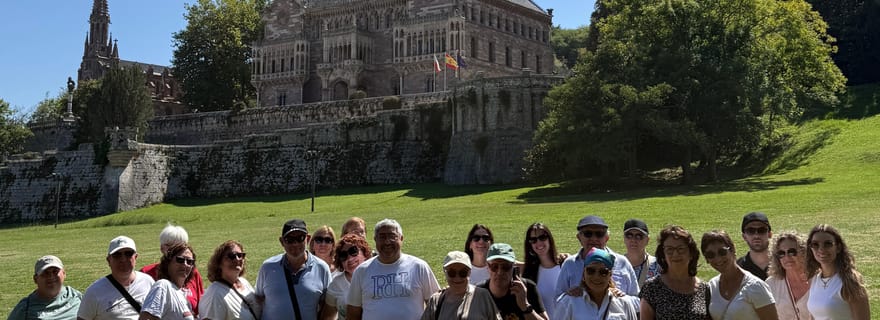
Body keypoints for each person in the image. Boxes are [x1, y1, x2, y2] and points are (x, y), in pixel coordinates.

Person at [346, 218, 440, 320]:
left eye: (392, 236)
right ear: (375, 239)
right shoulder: (362, 271)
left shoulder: (419, 267)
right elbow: (353, 313)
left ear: (401, 238)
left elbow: (436, 305)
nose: (387, 242)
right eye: (382, 237)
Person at [255, 219, 335, 320]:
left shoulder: (322, 268)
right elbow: (258, 299)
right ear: (282, 242)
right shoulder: (267, 267)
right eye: (289, 240)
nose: (295, 244)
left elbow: (328, 307)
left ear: (308, 239)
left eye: (300, 238)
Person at [555, 215, 638, 300]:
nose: (594, 238)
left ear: (607, 238)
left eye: (599, 234)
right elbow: (557, 299)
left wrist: (623, 298)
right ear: (579, 237)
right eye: (588, 234)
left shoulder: (622, 262)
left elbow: (637, 300)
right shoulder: (570, 264)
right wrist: (568, 295)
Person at [701, 230, 777, 320]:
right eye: (710, 255)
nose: (718, 258)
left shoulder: (755, 286)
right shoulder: (711, 286)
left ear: (733, 250)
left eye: (722, 252)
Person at [639, 225, 710, 319]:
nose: (675, 254)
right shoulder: (651, 288)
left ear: (691, 253)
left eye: (681, 249)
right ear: (663, 254)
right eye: (670, 249)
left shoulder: (705, 289)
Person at [78, 236, 155, 320]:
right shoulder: (94, 292)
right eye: (117, 255)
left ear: (135, 257)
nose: (123, 259)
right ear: (109, 260)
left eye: (128, 254)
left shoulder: (148, 282)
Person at [805, 224, 869, 320]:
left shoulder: (850, 281)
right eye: (815, 244)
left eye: (828, 244)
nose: (821, 249)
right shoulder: (814, 279)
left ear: (838, 248)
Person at [140, 224, 205, 315]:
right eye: (169, 245)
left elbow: (200, 308)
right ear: (161, 248)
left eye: (179, 245)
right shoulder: (146, 273)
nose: (174, 249)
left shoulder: (192, 273)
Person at [556, 248, 638, 319]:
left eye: (603, 272)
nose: (596, 277)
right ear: (584, 273)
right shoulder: (569, 303)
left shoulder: (624, 303)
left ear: (610, 275)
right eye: (591, 271)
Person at [421, 251, 501, 320]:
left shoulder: (483, 296)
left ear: (469, 272)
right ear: (445, 272)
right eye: (452, 273)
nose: (457, 278)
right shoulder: (436, 300)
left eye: (463, 273)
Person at [477, 243, 548, 320]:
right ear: (488, 266)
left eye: (505, 267)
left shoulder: (527, 288)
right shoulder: (478, 292)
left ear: (513, 266)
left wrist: (525, 306)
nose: (500, 272)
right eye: (495, 266)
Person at [198, 240, 261, 320]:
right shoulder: (215, 294)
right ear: (219, 263)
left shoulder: (244, 282)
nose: (237, 259)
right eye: (231, 256)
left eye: (240, 255)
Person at [8, 255, 82, 320]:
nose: (51, 276)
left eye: (55, 271)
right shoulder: (25, 307)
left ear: (64, 274)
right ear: (35, 279)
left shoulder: (76, 297)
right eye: (45, 273)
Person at [139, 243, 198, 320]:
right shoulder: (163, 286)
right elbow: (146, 318)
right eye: (180, 260)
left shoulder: (182, 295)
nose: (185, 264)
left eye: (190, 261)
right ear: (168, 263)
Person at [521, 222, 564, 318]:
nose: (538, 242)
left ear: (550, 239)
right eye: (533, 240)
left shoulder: (565, 265)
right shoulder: (529, 272)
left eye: (542, 237)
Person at [765, 232, 812, 320]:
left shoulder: (818, 280)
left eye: (792, 252)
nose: (786, 257)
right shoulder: (771, 284)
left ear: (804, 252)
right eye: (781, 253)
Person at [326, 234, 371, 320]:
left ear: (364, 253)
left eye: (353, 251)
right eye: (343, 255)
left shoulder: (376, 276)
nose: (349, 259)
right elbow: (327, 317)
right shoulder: (336, 284)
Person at [622, 219, 659, 288]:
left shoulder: (657, 266)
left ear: (647, 240)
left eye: (639, 236)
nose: (633, 240)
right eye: (629, 235)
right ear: (624, 238)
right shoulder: (616, 264)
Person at [737, 212, 772, 280]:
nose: (756, 235)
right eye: (750, 231)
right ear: (744, 236)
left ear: (770, 234)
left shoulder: (783, 262)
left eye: (761, 230)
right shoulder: (738, 268)